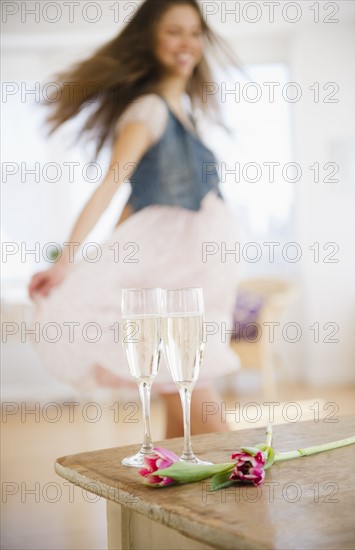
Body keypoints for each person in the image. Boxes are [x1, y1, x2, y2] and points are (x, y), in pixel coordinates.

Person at [28, 0, 244, 438]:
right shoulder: (148, 110)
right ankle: (239, 484)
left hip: (191, 276)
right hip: (175, 278)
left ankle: (171, 489)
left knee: (180, 399)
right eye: (174, 31)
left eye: (194, 31)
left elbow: (138, 198)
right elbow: (112, 184)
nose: (187, 43)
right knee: (202, 406)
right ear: (149, 39)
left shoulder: (179, 108)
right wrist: (72, 261)